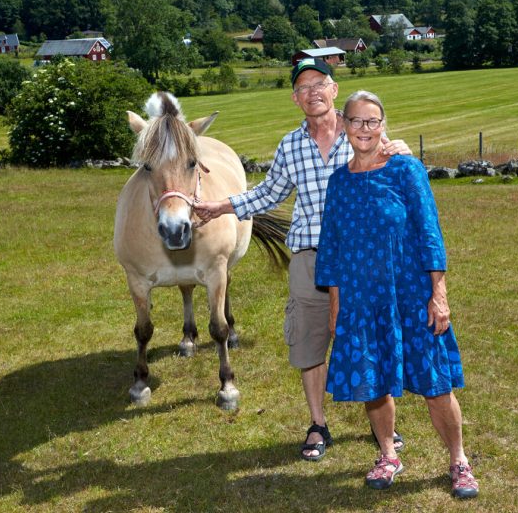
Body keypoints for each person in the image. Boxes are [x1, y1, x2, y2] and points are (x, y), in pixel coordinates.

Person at [194, 59, 408, 461]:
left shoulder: (363, 131)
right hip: (310, 259)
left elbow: (397, 176)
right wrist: (219, 206)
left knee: (369, 341)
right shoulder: (290, 145)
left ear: (334, 90)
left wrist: (403, 151)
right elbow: (268, 193)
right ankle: (317, 424)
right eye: (304, 88)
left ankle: (384, 428)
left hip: (363, 261)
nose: (312, 92)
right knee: (309, 345)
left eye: (319, 84)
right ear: (295, 98)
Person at [314, 90, 478, 499]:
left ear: (383, 125)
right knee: (375, 383)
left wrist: (438, 292)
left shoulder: (406, 170)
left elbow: (429, 233)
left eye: (372, 121)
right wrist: (337, 305)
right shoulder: (338, 182)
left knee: (435, 382)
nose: (364, 129)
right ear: (344, 125)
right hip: (362, 301)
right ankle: (388, 453)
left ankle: (458, 460)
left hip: (410, 295)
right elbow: (331, 248)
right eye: (356, 121)